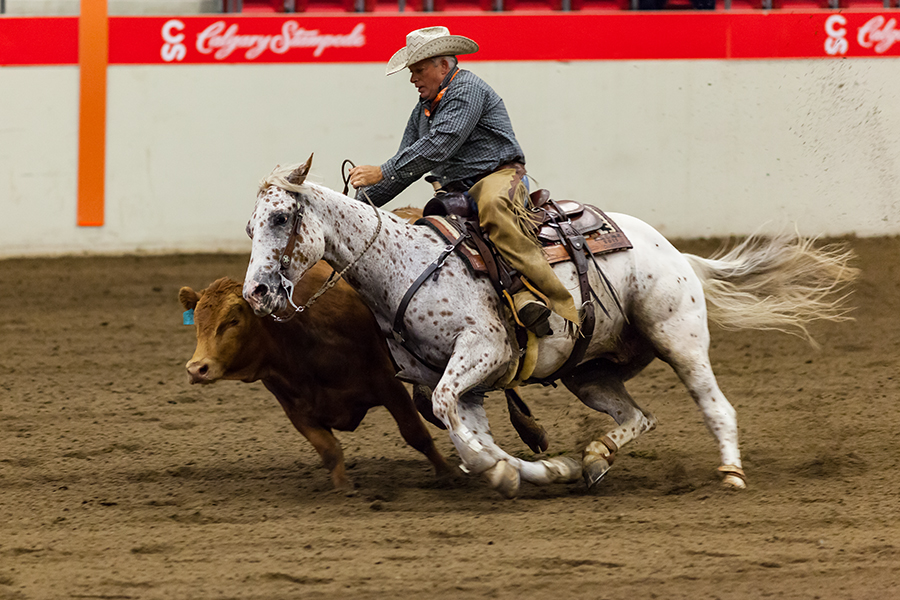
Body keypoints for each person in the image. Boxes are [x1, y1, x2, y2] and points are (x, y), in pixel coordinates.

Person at [349, 26, 577, 337]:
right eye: (412, 72)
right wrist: (354, 207)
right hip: (454, 189)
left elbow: (440, 145)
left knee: (495, 207)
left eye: (418, 71)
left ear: (443, 66)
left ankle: (538, 293)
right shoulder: (423, 110)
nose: (413, 79)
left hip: (496, 176)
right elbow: (408, 164)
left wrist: (382, 170)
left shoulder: (467, 90)